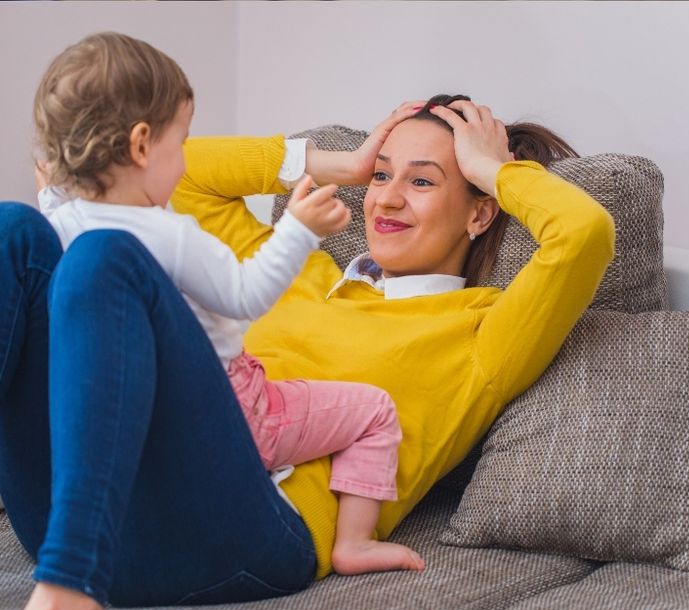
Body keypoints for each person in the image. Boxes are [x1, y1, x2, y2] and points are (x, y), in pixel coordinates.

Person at [0, 34, 615, 610]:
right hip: (86, 506)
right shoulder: (298, 264)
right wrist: (332, 160)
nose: (383, 197)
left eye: (423, 181)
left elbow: (583, 236)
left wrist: (492, 167)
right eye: (379, 175)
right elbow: (173, 174)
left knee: (107, 258)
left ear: (479, 212)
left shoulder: (480, 330)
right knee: (4, 232)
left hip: (246, 537)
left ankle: (69, 585)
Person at [33, 32, 423, 575]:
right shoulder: (169, 234)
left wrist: (54, 177)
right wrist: (298, 229)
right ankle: (354, 543)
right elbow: (245, 296)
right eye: (181, 142)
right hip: (238, 413)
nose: (186, 161)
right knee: (375, 411)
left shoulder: (59, 221)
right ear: (141, 146)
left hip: (143, 418)